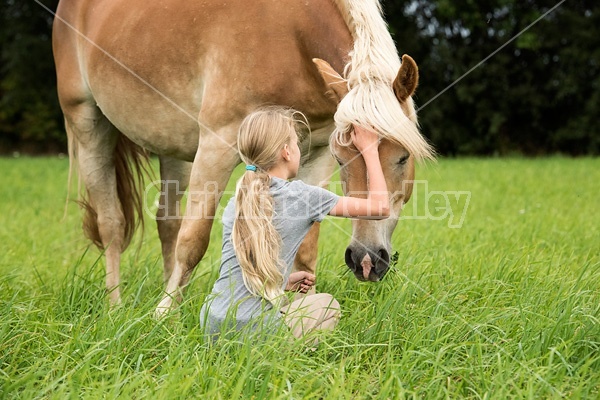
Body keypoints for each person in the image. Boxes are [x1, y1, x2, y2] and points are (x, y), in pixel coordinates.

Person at [199, 106, 389, 343]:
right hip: (253, 330)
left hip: (211, 322)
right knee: (327, 305)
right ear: (287, 152)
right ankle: (279, 357)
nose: (300, 150)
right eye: (297, 144)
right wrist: (370, 150)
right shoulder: (303, 196)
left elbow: (240, 268)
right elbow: (381, 208)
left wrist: (281, 282)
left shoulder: (238, 200)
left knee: (276, 305)